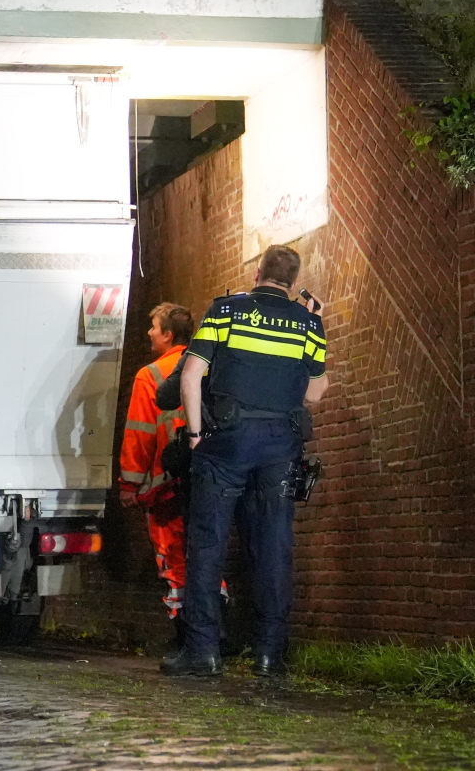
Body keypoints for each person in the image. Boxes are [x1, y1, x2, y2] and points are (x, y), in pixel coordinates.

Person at [163, 244, 329, 679]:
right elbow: (314, 392)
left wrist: (196, 432)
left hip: (226, 443)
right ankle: (269, 654)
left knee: (208, 543)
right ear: (293, 281)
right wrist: (315, 320)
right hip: (280, 448)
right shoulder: (309, 323)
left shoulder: (226, 311)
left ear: (257, 273)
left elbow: (191, 374)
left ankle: (203, 652)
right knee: (274, 546)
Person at [117, 303, 194, 628]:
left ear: (168, 334)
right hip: (207, 478)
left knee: (174, 555)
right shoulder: (207, 364)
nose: (149, 333)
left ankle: (186, 631)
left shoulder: (151, 375)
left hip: (167, 485)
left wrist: (129, 484)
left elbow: (140, 433)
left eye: (154, 327)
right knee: (203, 554)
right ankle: (213, 625)